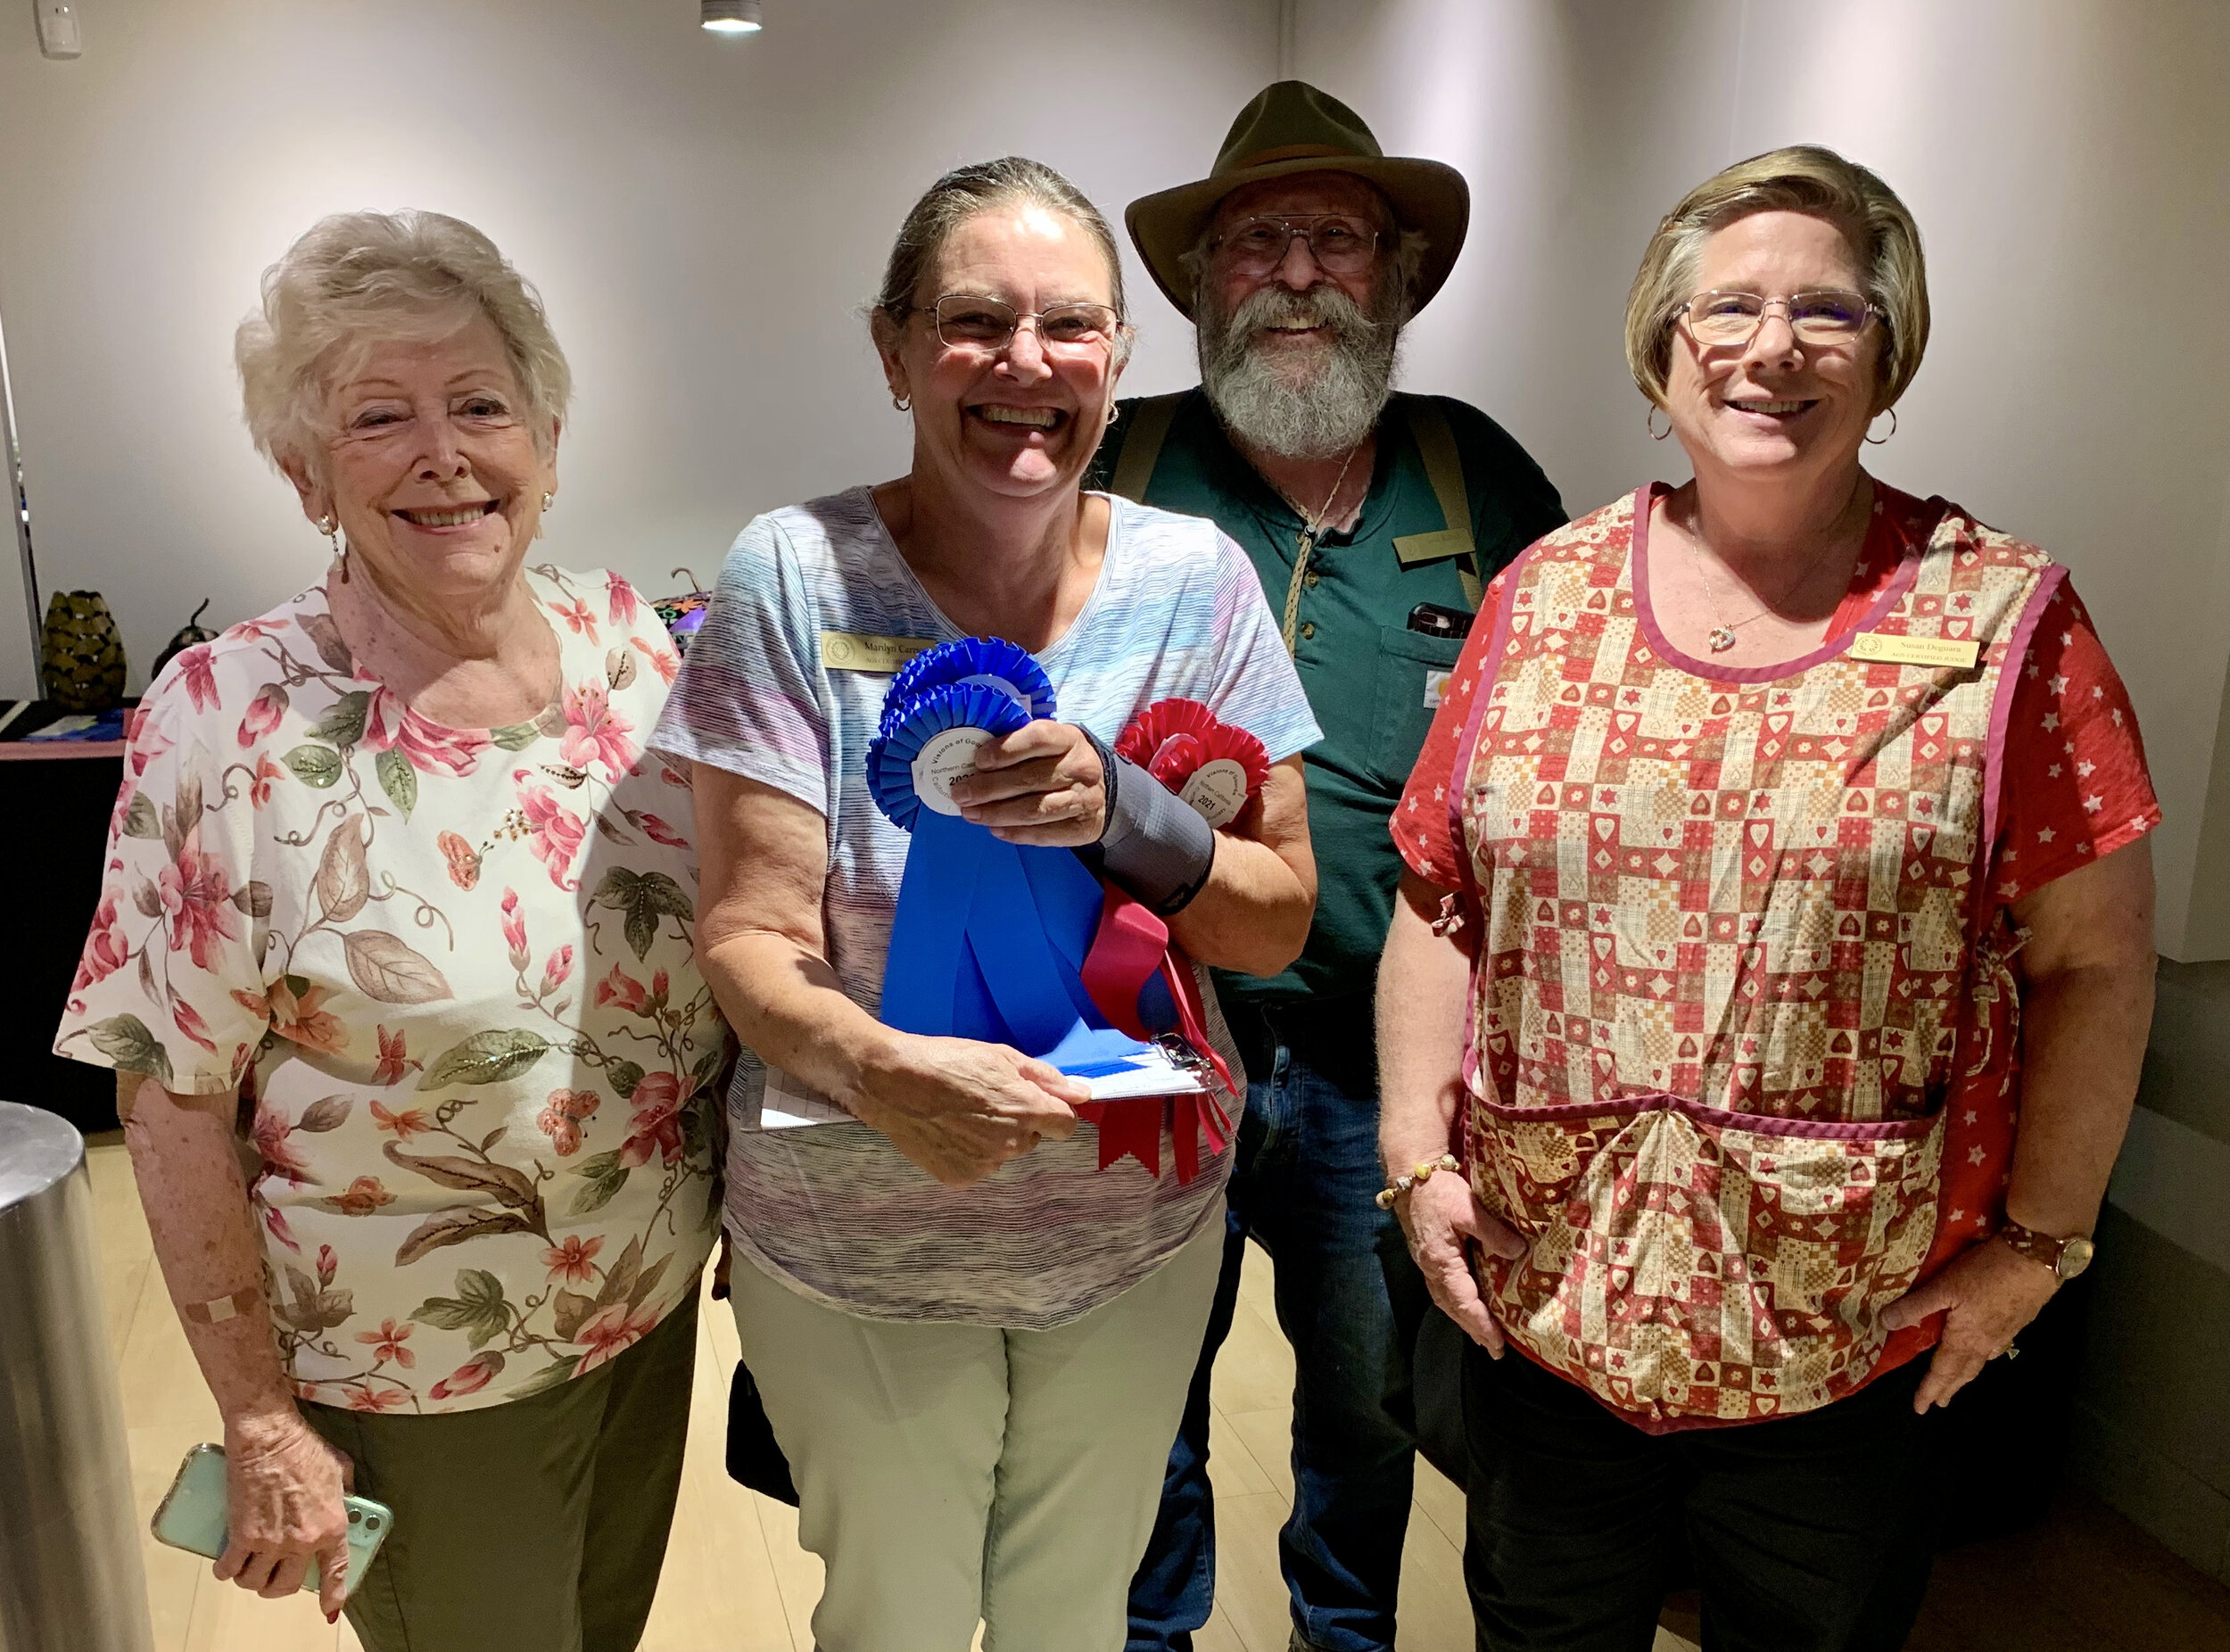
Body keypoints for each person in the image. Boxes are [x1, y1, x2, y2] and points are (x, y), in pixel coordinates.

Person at [1380, 145, 2159, 1651]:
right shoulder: (1541, 597)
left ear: (1891, 352)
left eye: (1831, 313)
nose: (1772, 349)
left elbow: (2097, 967)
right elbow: (1436, 896)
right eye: (1727, 308)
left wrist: (2036, 1252)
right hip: (1555, 1316)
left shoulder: (2001, 615)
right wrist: (1418, 1162)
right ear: (1663, 346)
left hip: (1850, 1335)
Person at [652, 156, 1321, 1652]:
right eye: (973, 322)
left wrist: (1137, 824)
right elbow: (750, 931)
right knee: (892, 1619)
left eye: (1070, 326)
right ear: (891, 349)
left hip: (1131, 1235)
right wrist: (881, 1073)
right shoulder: (793, 570)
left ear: (1118, 358)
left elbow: (1277, 921)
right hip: (859, 1240)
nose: (1027, 365)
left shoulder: (1195, 581)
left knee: (1076, 1615)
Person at [54, 211, 723, 1651]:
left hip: (651, 1310)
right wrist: (258, 1416)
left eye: (481, 405)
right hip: (419, 1373)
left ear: (545, 434)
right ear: (306, 474)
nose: (447, 452)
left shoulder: (632, 650)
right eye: (380, 418)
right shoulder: (229, 720)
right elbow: (168, 1101)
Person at [1094, 81, 1565, 1652]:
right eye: (1255, 243)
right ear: (1197, 284)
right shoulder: (1107, 471)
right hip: (1146, 1045)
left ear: (1400, 278)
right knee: (1139, 1389)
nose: (1296, 274)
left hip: (1388, 1062)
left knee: (1370, 1408)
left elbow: (1558, 766)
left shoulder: (1477, 482)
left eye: (1338, 240)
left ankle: (1342, 1638)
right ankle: (1148, 1638)